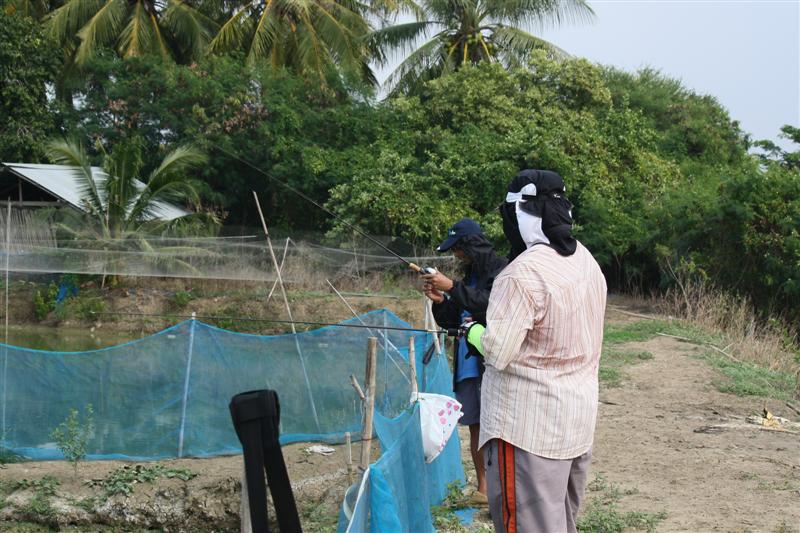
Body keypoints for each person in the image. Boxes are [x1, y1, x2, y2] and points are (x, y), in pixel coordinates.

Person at [464, 169, 607, 533]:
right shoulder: (587, 262)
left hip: (528, 432)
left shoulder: (521, 274)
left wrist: (473, 331)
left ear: (520, 215)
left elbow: (497, 351)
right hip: (575, 425)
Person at [422, 218, 507, 504]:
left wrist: (452, 286)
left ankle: (503, 490)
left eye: (458, 248)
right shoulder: (468, 276)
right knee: (474, 425)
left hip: (491, 360)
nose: (456, 255)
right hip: (466, 360)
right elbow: (452, 319)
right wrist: (441, 301)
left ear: (470, 245)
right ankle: (483, 490)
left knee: (496, 426)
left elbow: (488, 303)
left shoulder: (503, 270)